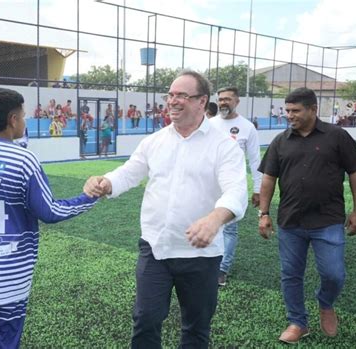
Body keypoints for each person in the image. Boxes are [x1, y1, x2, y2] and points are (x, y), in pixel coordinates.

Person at [83, 70, 248, 348]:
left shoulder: (223, 146)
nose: (173, 101)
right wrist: (105, 182)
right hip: (155, 248)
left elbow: (236, 190)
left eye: (182, 95)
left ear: (201, 101)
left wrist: (214, 219)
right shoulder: (154, 141)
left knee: (196, 328)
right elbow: (129, 173)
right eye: (170, 95)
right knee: (145, 319)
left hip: (201, 255)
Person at [0, 87, 97, 349]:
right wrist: (88, 197)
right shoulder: (23, 159)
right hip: (7, 280)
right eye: (23, 116)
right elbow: (50, 212)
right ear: (13, 119)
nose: (24, 122)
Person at [258, 87, 356, 344]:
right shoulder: (281, 141)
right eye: (287, 110)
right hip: (290, 221)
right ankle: (297, 322)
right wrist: (264, 212)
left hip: (328, 221)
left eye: (295, 110)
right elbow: (269, 179)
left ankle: (325, 303)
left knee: (334, 274)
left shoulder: (337, 136)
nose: (289, 115)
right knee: (291, 274)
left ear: (313, 110)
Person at [209, 87, 262, 287]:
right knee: (208, 224)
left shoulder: (247, 127)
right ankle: (208, 263)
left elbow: (255, 160)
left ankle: (222, 269)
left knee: (229, 229)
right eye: (221, 99)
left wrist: (257, 189)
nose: (223, 103)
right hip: (208, 185)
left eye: (228, 99)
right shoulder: (209, 124)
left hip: (233, 186)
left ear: (237, 102)